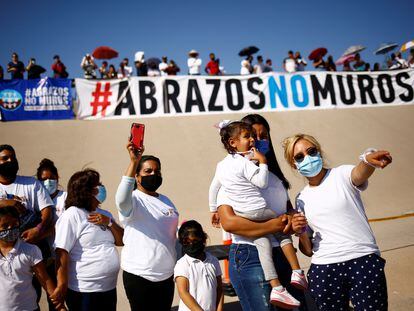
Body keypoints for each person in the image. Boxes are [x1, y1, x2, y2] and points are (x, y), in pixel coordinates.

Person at [283, 133, 391, 311]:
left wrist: (368, 159)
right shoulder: (301, 197)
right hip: (324, 269)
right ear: (294, 164)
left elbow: (360, 172)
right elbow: (308, 250)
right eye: (300, 156)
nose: (308, 158)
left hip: (362, 260)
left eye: (311, 151)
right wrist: (300, 231)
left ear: (319, 152)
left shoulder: (341, 174)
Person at [209, 121, 306, 309]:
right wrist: (277, 224)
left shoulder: (276, 179)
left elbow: (287, 211)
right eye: (251, 135)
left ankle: (284, 282)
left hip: (280, 254)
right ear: (233, 142)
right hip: (249, 255)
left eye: (262, 136)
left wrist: (292, 220)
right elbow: (229, 223)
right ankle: (296, 272)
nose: (256, 140)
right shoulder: (234, 172)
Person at [115, 142, 179, 311]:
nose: (153, 174)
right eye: (148, 171)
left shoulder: (166, 201)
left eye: (157, 171)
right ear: (137, 177)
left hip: (166, 276)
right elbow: (121, 198)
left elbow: (170, 236)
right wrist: (133, 162)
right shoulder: (133, 200)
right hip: (139, 275)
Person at [54, 169, 123, 311]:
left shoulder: (105, 214)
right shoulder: (72, 215)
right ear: (85, 191)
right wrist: (62, 284)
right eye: (97, 185)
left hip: (108, 287)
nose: (101, 187)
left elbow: (121, 240)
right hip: (84, 290)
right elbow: (61, 252)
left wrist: (109, 222)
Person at [0, 204, 66, 311]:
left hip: (29, 308)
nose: (11, 228)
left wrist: (60, 306)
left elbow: (45, 279)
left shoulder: (30, 250)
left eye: (15, 224)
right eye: (5, 226)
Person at [175, 220, 223, 311]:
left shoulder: (213, 261)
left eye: (195, 241)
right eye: (187, 243)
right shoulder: (182, 264)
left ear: (203, 239)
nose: (191, 245)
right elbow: (183, 292)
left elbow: (219, 289)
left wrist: (219, 308)